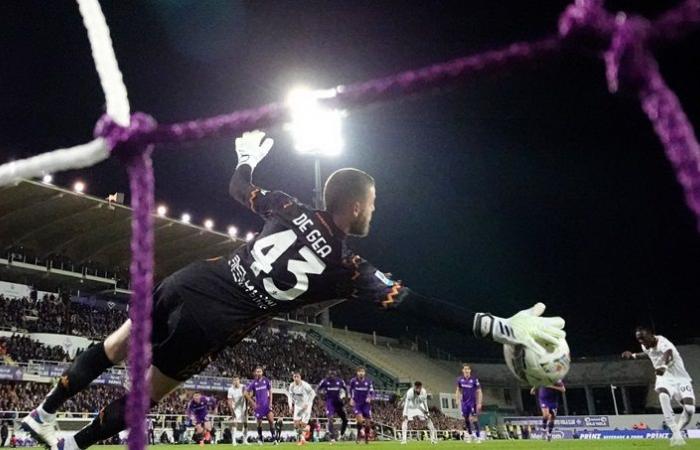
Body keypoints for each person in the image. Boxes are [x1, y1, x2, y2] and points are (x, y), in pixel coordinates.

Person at [20, 130, 566, 450]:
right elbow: (420, 306)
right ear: (352, 206)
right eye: (372, 204)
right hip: (218, 320)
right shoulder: (350, 269)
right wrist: (497, 325)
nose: (375, 212)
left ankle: (43, 414)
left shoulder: (288, 207)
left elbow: (238, 187)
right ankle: (72, 445)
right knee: (146, 395)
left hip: (193, 280)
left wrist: (246, 157)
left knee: (117, 345)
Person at [622, 326, 695, 447]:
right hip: (664, 377)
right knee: (662, 393)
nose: (641, 341)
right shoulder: (645, 345)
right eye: (639, 339)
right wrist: (634, 355)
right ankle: (676, 435)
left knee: (689, 410)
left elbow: (668, 353)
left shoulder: (663, 341)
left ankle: (676, 432)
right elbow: (649, 354)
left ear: (651, 335)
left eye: (643, 338)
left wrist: (664, 366)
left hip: (681, 378)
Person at [244, 367, 276, 445]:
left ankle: (274, 439)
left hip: (266, 405)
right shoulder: (253, 383)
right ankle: (260, 438)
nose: (258, 373)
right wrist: (253, 403)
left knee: (271, 421)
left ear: (262, 372)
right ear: (255, 373)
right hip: (258, 406)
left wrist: (271, 402)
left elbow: (270, 391)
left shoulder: (266, 380)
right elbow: (245, 393)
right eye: (257, 372)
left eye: (259, 371)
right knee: (259, 423)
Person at [317, 370, 348, 442]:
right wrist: (320, 399)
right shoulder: (324, 381)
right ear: (328, 375)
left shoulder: (340, 381)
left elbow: (346, 389)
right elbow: (317, 389)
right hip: (329, 402)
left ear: (335, 375)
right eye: (330, 374)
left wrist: (346, 399)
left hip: (338, 402)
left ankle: (341, 435)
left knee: (345, 419)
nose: (331, 376)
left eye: (333, 374)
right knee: (330, 419)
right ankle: (332, 437)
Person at [456, 364, 482, 443]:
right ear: (463, 370)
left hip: (472, 402)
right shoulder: (460, 379)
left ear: (470, 370)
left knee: (474, 419)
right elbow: (458, 390)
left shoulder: (474, 380)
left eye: (468, 369)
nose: (466, 370)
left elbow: (479, 391)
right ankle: (470, 435)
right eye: (465, 369)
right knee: (466, 419)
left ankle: (478, 437)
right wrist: (457, 399)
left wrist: (479, 402)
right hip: (464, 403)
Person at [288, 372, 315, 446]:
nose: (296, 378)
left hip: (306, 405)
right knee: (296, 425)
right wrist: (290, 406)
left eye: (297, 377)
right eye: (294, 377)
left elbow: (313, 393)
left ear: (300, 377)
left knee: (302, 424)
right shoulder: (291, 386)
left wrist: (307, 403)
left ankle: (302, 439)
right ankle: (303, 437)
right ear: (293, 378)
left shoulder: (305, 385)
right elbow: (290, 396)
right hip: (297, 405)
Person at [349, 367, 374, 444]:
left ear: (364, 373)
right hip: (357, 404)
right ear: (357, 373)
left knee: (368, 424)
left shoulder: (368, 382)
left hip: (366, 405)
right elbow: (350, 390)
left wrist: (370, 397)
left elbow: (372, 392)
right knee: (359, 420)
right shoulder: (353, 381)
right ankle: (358, 435)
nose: (361, 373)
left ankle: (366, 437)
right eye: (359, 371)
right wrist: (351, 398)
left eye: (362, 371)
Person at [227, 376, 248, 446]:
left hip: (243, 407)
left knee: (245, 424)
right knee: (235, 423)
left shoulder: (243, 387)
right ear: (232, 381)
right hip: (235, 408)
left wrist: (247, 408)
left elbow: (246, 396)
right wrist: (232, 412)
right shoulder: (230, 389)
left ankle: (245, 440)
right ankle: (233, 441)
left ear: (239, 380)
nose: (236, 381)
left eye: (237, 380)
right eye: (234, 380)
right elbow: (229, 401)